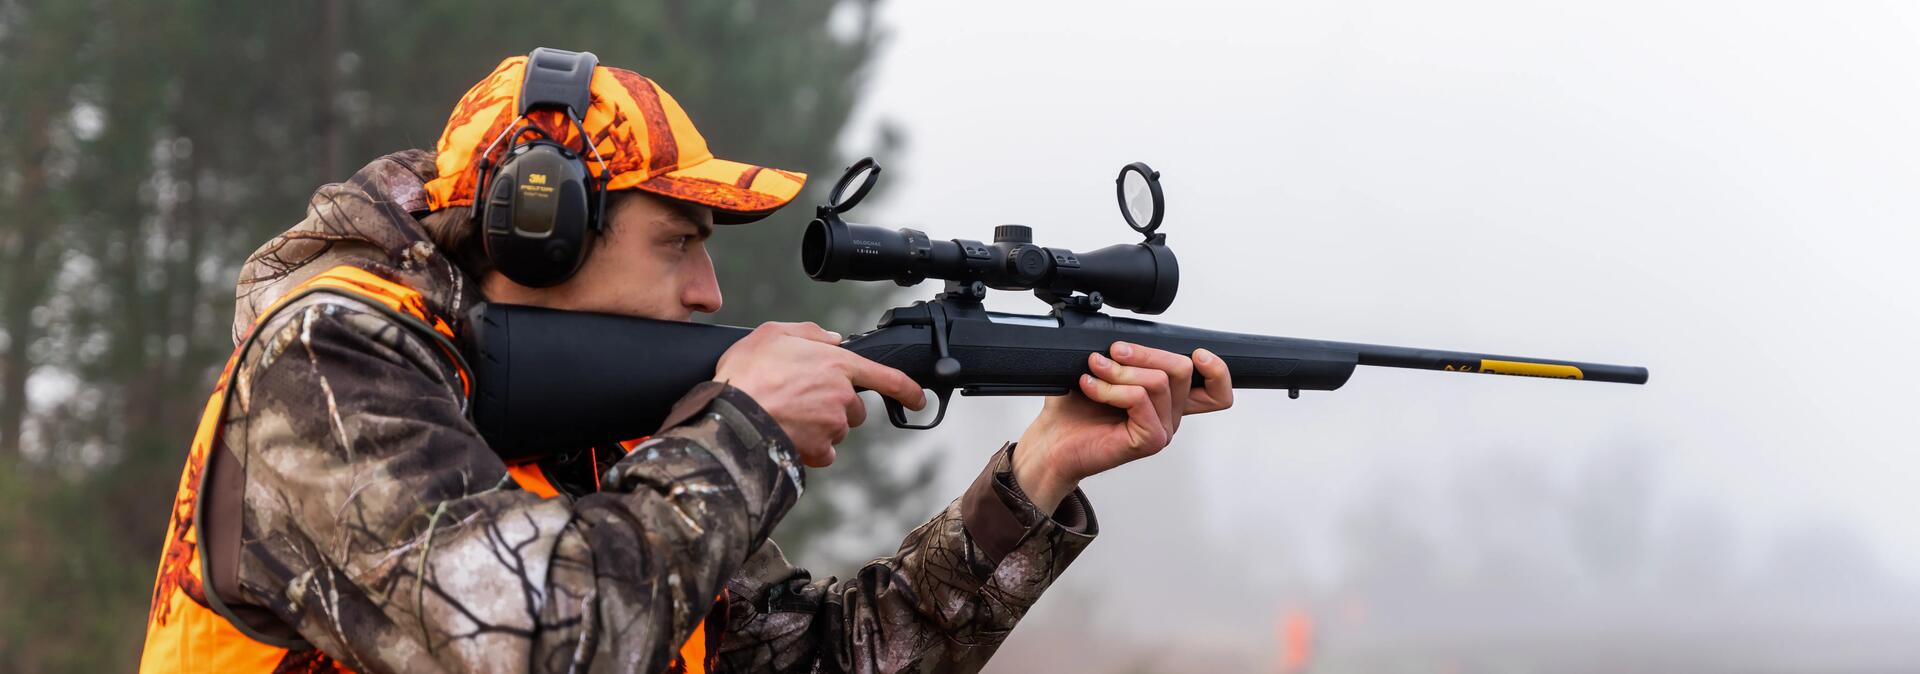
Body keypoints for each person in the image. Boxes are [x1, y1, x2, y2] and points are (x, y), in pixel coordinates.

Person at [139, 49, 1234, 673]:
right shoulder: (326, 356)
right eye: (679, 244)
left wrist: (1032, 479)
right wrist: (745, 430)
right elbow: (523, 632)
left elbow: (807, 663)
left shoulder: (605, 434)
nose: (710, 293)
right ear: (542, 231)